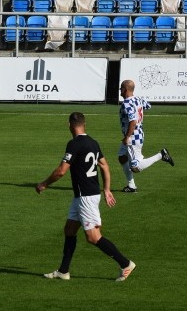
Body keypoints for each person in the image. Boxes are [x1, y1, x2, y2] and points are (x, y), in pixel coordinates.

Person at [35, 112, 136, 282]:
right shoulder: (93, 143)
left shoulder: (74, 144)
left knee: (93, 237)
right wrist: (107, 189)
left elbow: (61, 171)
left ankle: (125, 263)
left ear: (69, 125)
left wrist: (44, 184)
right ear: (84, 124)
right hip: (85, 195)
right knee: (69, 230)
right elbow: (104, 165)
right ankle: (63, 271)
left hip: (86, 197)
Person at [118, 80, 174, 193]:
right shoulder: (138, 99)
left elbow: (133, 121)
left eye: (121, 88)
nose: (120, 91)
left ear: (126, 89)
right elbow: (148, 106)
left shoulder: (127, 103)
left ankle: (161, 155)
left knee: (135, 168)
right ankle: (131, 186)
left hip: (132, 137)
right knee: (122, 156)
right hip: (139, 133)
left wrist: (127, 137)